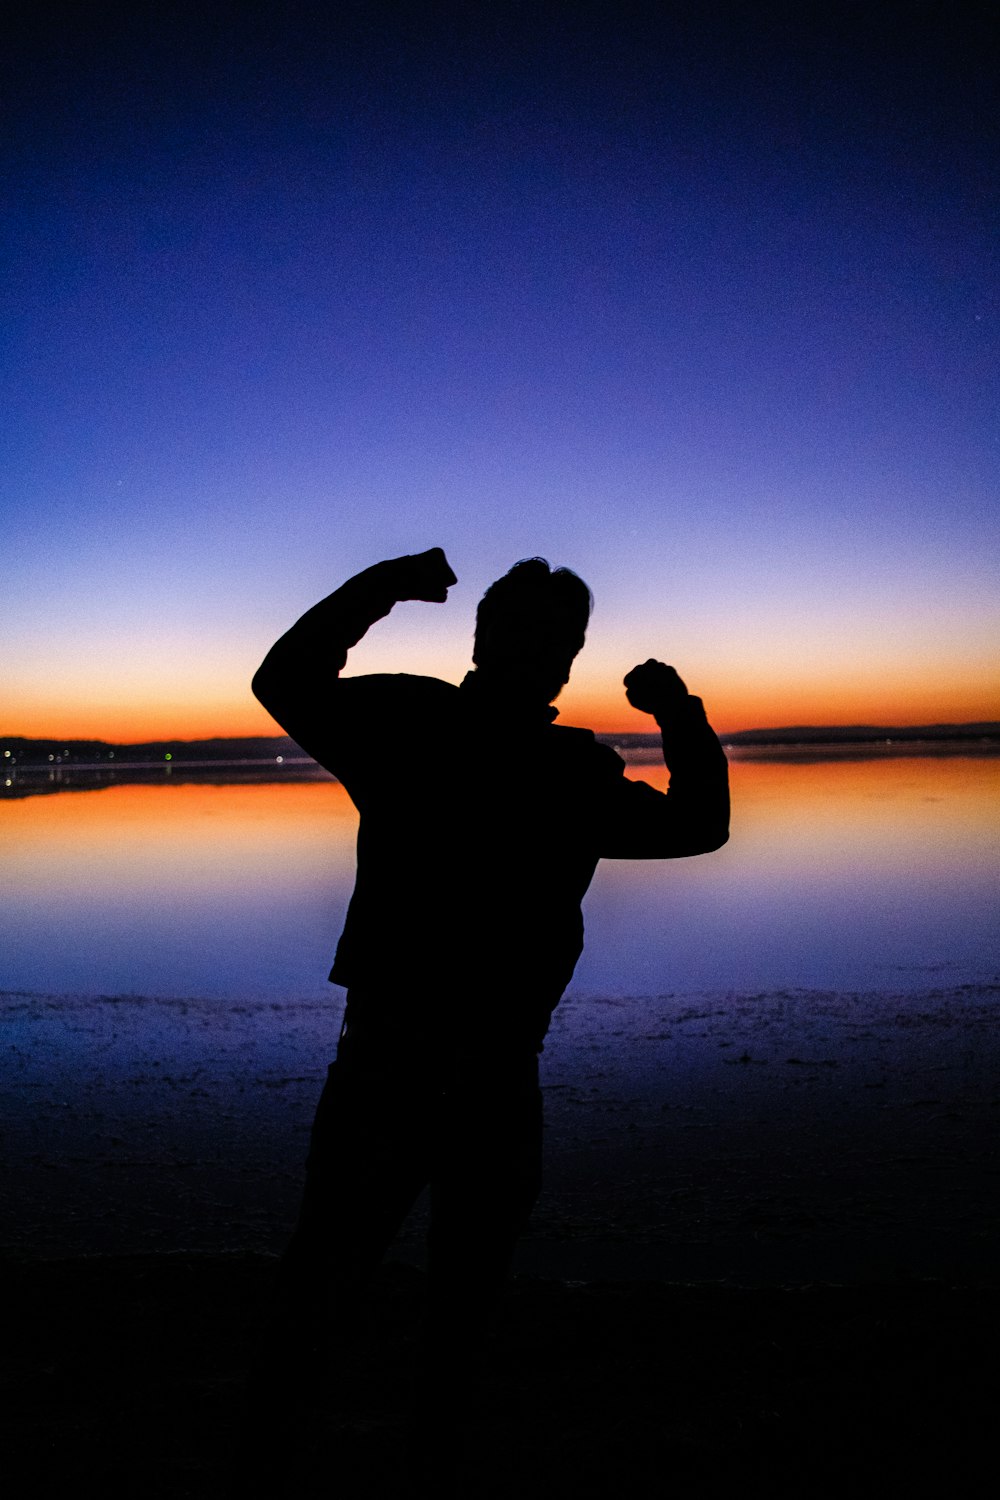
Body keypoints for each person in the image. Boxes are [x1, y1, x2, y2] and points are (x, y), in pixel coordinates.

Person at [250, 546, 729, 1382]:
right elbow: (700, 824)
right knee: (433, 1289)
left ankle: (295, 1432)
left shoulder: (422, 728)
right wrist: (676, 713)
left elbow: (285, 681)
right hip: (460, 1060)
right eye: (542, 637)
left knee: (348, 1272)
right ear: (547, 656)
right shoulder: (545, 764)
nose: (548, 652)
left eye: (551, 636)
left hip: (426, 1057)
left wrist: (384, 586)